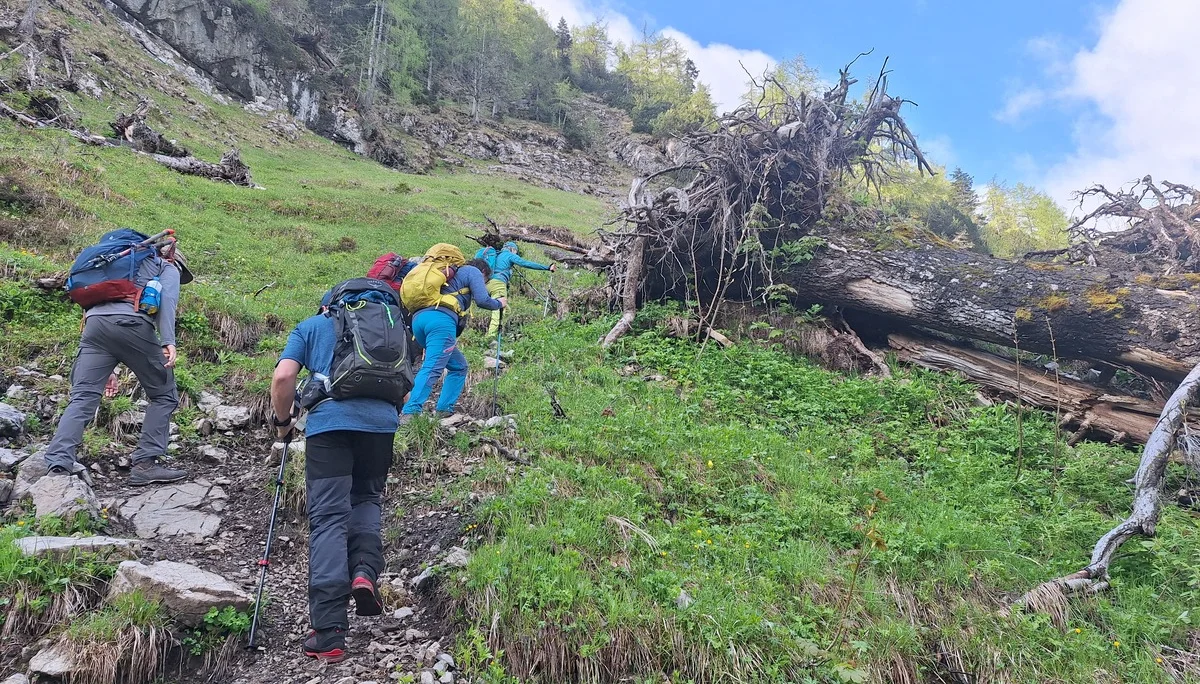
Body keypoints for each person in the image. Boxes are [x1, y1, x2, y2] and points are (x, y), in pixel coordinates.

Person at [271, 286, 399, 663]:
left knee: (328, 518)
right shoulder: (393, 328)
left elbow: (283, 378)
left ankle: (328, 632)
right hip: (381, 427)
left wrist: (283, 423)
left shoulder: (313, 326)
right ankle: (363, 571)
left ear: (329, 303)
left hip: (330, 428)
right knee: (367, 499)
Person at [45, 240, 193, 486]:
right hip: (133, 324)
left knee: (82, 397)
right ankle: (145, 464)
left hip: (94, 327)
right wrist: (168, 341)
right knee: (164, 395)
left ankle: (58, 465)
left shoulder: (119, 265)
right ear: (175, 259)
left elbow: (100, 306)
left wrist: (110, 367)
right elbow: (167, 301)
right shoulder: (166, 266)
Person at [401, 258, 505, 419]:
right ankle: (410, 411)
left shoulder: (449, 273)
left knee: (459, 366)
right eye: (485, 281)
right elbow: (482, 300)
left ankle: (444, 409)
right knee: (433, 367)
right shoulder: (473, 271)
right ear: (484, 272)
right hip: (441, 321)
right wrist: (499, 303)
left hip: (419, 321)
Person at [474, 241, 555, 336]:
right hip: (498, 284)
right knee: (497, 311)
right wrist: (546, 267)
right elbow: (525, 263)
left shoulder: (497, 254)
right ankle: (490, 337)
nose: (515, 253)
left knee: (507, 311)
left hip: (487, 284)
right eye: (516, 251)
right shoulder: (509, 255)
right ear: (512, 249)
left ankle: (501, 331)